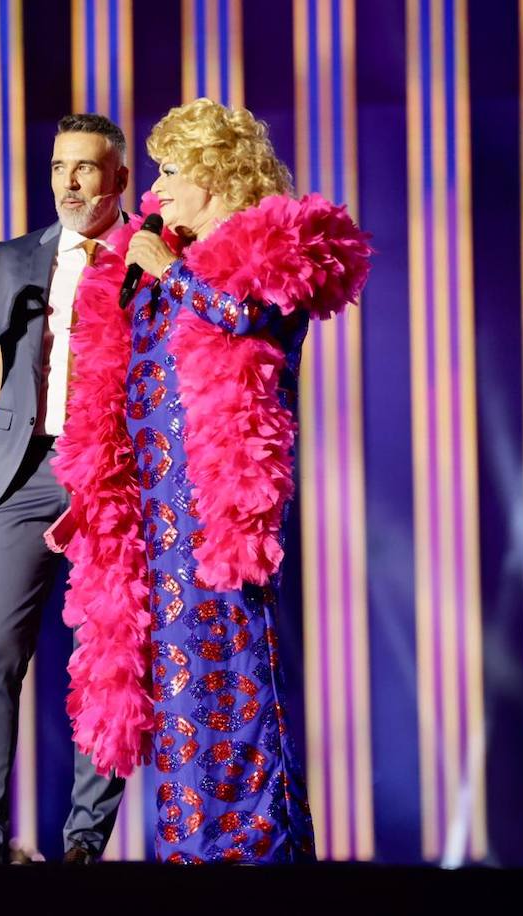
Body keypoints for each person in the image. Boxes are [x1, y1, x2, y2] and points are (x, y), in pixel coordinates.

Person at [49, 98, 372, 863]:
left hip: (223, 507)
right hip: (159, 517)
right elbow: (126, 391)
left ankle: (257, 855)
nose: (154, 193)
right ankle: (191, 852)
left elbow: (257, 322)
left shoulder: (276, 244)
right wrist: (94, 496)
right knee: (179, 689)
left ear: (215, 171)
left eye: (168, 173)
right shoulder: (165, 261)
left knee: (234, 676)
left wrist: (170, 274)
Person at [0, 113, 130, 864]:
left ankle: (83, 844)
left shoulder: (152, 256)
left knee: (109, 659)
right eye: (58, 166)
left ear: (119, 180)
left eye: (86, 168)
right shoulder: (13, 259)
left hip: (112, 479)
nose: (69, 182)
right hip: (23, 475)